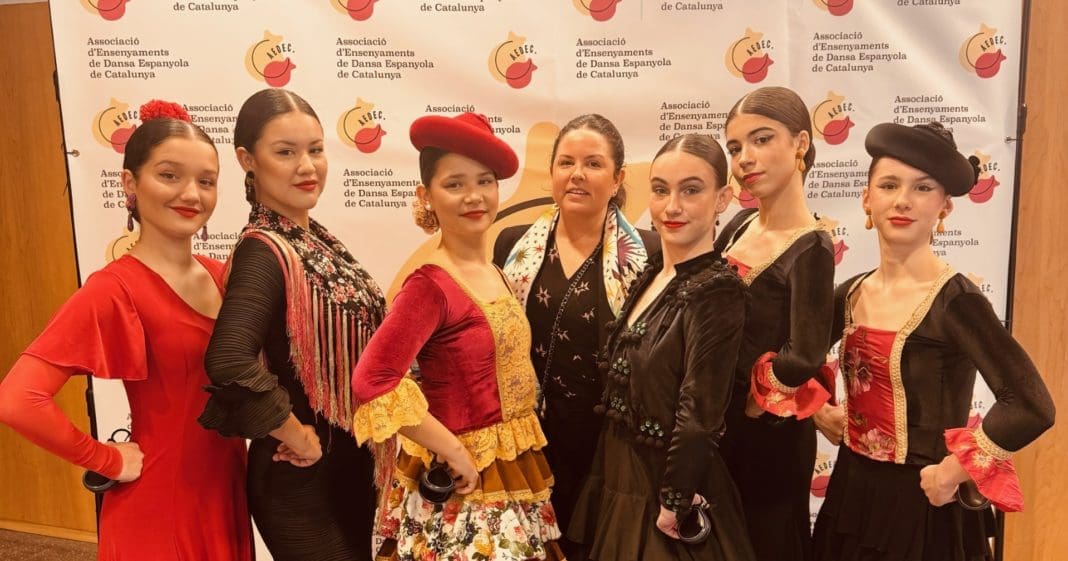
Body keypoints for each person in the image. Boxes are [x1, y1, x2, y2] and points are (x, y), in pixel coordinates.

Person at [0, 100, 252, 560]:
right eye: (169, 175)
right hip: (159, 508)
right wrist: (106, 459)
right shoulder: (114, 289)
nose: (191, 194)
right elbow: (18, 399)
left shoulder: (224, 275)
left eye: (206, 181)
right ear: (130, 184)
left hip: (226, 495)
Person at [811, 121, 1055, 561]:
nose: (903, 200)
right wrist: (818, 410)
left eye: (923, 188)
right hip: (852, 492)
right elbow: (799, 358)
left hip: (925, 504)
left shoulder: (956, 301)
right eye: (889, 185)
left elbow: (1030, 404)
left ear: (944, 207)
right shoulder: (850, 293)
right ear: (867, 199)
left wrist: (954, 470)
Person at [351, 112, 565, 560]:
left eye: (485, 181)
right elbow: (372, 379)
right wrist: (451, 449)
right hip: (463, 483)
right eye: (455, 184)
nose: (474, 196)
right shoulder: (429, 285)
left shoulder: (494, 271)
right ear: (426, 196)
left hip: (511, 466)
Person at [197, 89, 385, 561]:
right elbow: (229, 358)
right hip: (299, 478)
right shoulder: (264, 249)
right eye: (285, 152)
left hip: (348, 466)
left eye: (315, 150)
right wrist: (296, 434)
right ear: (247, 160)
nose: (307, 166)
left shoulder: (313, 238)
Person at [568, 133, 755, 560]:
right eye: (660, 190)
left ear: (723, 198)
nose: (672, 206)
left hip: (666, 490)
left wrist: (675, 499)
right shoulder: (652, 271)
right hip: (616, 474)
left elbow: (700, 413)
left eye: (691, 190)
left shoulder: (718, 291)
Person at [493, 115, 658, 555]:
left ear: (618, 178)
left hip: (611, 445)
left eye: (593, 163)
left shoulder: (650, 254)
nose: (577, 174)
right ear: (551, 172)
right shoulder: (512, 245)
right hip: (530, 438)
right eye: (566, 162)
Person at [715, 86, 837, 561]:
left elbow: (805, 352)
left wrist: (755, 398)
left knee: (764, 543)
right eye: (735, 147)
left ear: (800, 143)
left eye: (762, 139)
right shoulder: (739, 225)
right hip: (717, 424)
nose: (745, 158)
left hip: (768, 435)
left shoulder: (812, 245)